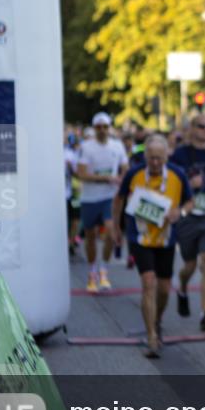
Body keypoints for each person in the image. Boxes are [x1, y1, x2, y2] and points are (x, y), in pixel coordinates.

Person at [111, 134, 193, 358]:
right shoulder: (134, 173)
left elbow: (190, 201)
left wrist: (180, 212)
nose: (155, 162)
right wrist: (116, 227)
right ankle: (151, 337)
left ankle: (156, 320)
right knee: (148, 283)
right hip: (140, 237)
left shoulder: (178, 174)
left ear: (167, 156)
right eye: (151, 158)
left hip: (166, 238)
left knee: (164, 289)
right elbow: (118, 199)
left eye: (159, 158)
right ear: (145, 156)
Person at [168, 113, 205, 330]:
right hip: (188, 215)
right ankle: (182, 287)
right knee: (190, 266)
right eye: (201, 126)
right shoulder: (180, 154)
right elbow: (171, 183)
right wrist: (188, 183)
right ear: (192, 128)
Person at [76, 112, 129, 293]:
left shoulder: (117, 146)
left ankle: (104, 269)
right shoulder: (86, 147)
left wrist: (122, 179)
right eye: (98, 127)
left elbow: (125, 168)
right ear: (94, 128)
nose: (102, 130)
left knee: (110, 232)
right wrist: (106, 178)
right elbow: (82, 174)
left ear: (109, 128)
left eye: (105, 127)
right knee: (90, 236)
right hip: (89, 198)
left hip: (109, 197)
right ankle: (92, 272)